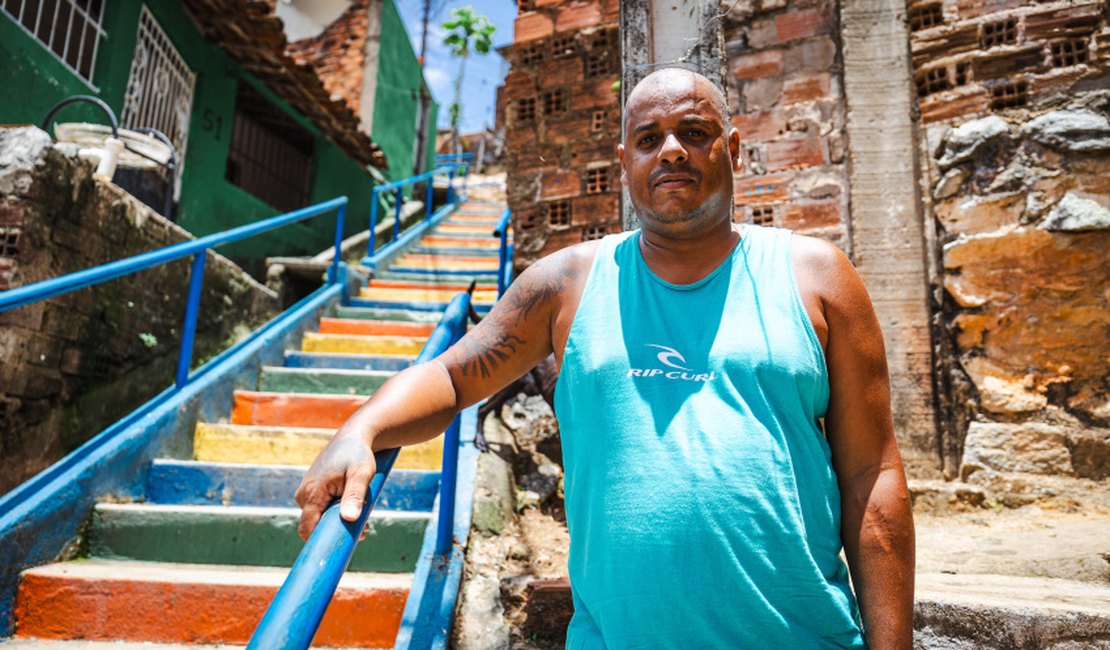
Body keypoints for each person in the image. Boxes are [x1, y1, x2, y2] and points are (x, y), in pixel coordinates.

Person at [295, 67, 915, 648]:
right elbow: (452, 379)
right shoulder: (565, 284)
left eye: (694, 134)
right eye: (649, 138)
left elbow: (873, 474)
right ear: (625, 163)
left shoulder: (817, 278)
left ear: (733, 151)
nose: (671, 150)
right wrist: (362, 426)